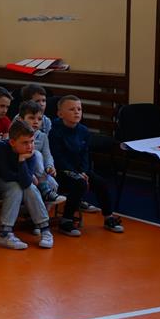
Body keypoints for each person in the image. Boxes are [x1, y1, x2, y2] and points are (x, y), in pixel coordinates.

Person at [49, 95, 125, 236]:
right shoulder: (54, 130)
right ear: (60, 114)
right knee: (80, 183)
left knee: (101, 183)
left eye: (79, 109)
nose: (77, 112)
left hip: (80, 171)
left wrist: (84, 171)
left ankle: (108, 217)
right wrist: (76, 174)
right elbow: (58, 158)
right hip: (60, 171)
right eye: (72, 109)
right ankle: (66, 221)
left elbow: (85, 154)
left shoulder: (83, 131)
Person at [0, 121, 55, 249]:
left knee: (29, 187)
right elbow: (5, 174)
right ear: (12, 142)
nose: (30, 146)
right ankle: (4, 234)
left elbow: (26, 182)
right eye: (25, 143)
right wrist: (24, 173)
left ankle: (45, 229)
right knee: (17, 186)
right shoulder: (0, 147)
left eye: (32, 141)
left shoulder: (30, 153)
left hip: (17, 183)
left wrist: (22, 160)